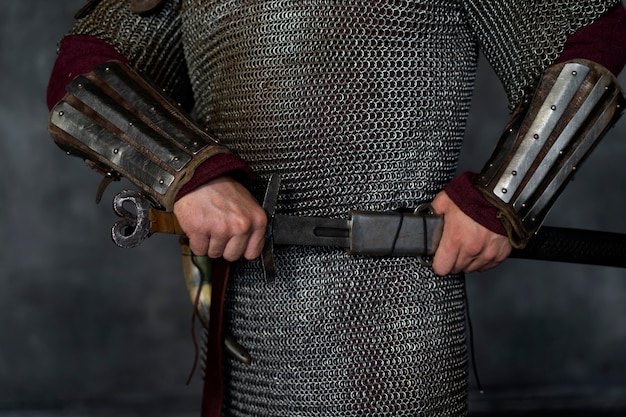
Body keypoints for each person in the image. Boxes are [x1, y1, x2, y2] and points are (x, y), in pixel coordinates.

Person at [47, 0, 626, 415]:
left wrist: (504, 197)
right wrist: (188, 174)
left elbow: (594, 34)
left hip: (391, 310)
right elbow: (83, 76)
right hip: (250, 313)